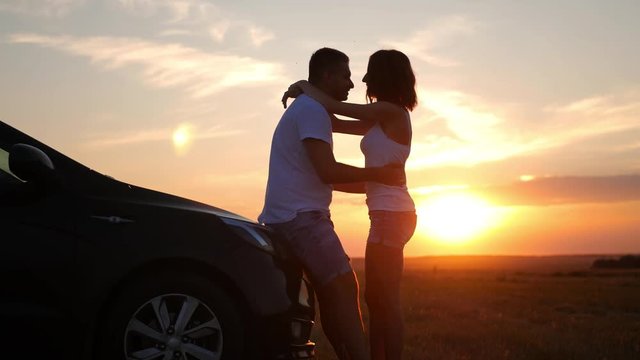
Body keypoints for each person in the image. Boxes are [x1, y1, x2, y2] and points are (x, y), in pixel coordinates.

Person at [259, 47, 405, 360]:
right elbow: (329, 172)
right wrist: (379, 175)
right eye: (345, 75)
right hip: (302, 218)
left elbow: (329, 175)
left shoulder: (313, 109)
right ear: (326, 76)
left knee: (338, 293)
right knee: (343, 286)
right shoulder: (312, 110)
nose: (353, 83)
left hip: (292, 216)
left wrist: (376, 182)